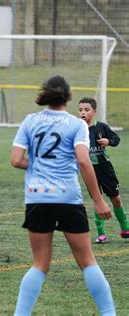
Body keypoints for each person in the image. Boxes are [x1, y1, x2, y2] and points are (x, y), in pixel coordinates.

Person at [11, 76, 115, 315]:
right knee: (87, 261)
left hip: (37, 197)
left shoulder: (30, 121)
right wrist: (99, 200)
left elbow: (16, 160)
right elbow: (82, 159)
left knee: (39, 264)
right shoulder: (76, 124)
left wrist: (38, 166)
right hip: (68, 197)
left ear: (44, 95)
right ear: (68, 97)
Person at [78, 97, 128, 244]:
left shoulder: (102, 127)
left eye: (86, 110)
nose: (83, 112)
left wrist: (108, 142)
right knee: (97, 199)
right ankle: (101, 234)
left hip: (105, 168)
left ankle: (125, 228)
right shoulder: (77, 129)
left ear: (94, 112)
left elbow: (116, 139)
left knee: (116, 199)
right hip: (89, 170)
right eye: (80, 110)